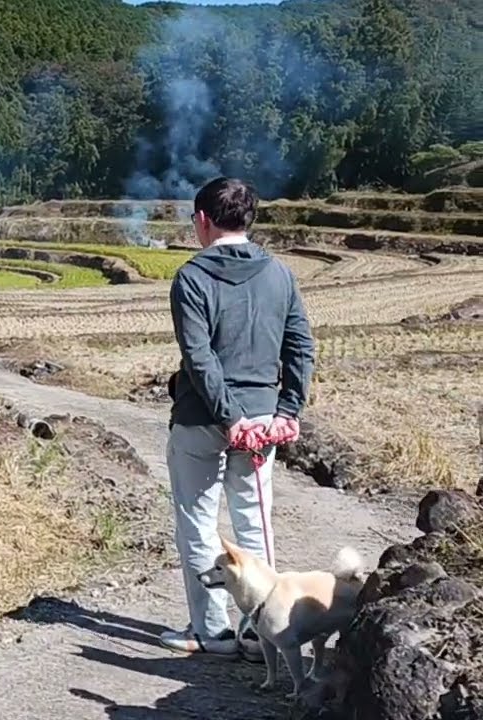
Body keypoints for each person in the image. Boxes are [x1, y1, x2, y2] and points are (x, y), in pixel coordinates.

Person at [158, 176, 316, 659]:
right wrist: (288, 409)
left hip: (201, 419)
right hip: (262, 420)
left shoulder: (191, 277)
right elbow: (300, 347)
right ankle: (260, 630)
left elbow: (199, 357)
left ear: (203, 220)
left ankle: (212, 631)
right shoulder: (281, 274)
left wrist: (228, 417)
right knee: (253, 522)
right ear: (248, 220)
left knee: (198, 522)